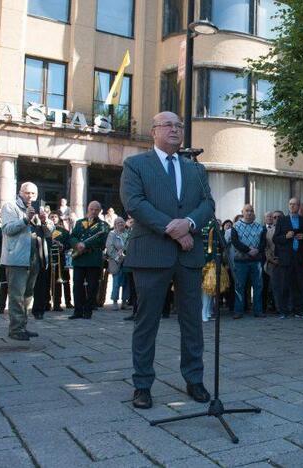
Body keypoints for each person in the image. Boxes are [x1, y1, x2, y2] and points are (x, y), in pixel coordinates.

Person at [120, 111, 215, 410]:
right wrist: (173, 229)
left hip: (188, 256)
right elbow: (135, 203)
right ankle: (143, 384)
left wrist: (189, 222)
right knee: (147, 322)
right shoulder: (135, 165)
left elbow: (207, 204)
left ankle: (194, 380)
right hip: (152, 254)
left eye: (179, 126)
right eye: (168, 125)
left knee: (192, 322)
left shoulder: (195, 170)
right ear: (154, 131)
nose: (175, 129)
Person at [1, 182, 48, 341]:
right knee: (16, 295)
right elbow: (7, 229)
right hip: (17, 258)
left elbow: (50, 233)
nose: (30, 196)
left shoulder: (37, 209)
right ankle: (15, 329)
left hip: (34, 257)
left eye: (33, 194)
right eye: (27, 193)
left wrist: (45, 221)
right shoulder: (10, 206)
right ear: (20, 192)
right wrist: (25, 219)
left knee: (27, 295)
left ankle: (22, 326)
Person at [68, 201, 109, 320]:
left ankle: (88, 311)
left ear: (100, 211)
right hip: (79, 259)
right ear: (88, 209)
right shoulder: (80, 223)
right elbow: (73, 237)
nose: (93, 211)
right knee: (77, 286)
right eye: (92, 209)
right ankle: (77, 311)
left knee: (92, 287)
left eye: (96, 209)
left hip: (93, 259)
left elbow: (102, 242)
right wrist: (77, 244)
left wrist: (85, 245)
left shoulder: (103, 225)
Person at [273, 198, 303, 319]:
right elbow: (275, 239)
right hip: (286, 258)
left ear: (299, 206)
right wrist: (286, 236)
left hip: (300, 258)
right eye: (290, 204)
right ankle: (283, 310)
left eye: (295, 204)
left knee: (299, 285)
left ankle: (298, 310)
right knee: (284, 285)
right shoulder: (282, 220)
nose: (292, 206)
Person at [229, 204, 267, 319]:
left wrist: (257, 250)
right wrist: (248, 250)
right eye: (247, 211)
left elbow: (263, 243)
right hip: (241, 261)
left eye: (251, 211)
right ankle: (238, 311)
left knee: (258, 286)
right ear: (242, 212)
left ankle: (258, 311)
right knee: (239, 286)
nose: (249, 213)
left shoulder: (260, 227)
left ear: (254, 213)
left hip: (256, 261)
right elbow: (235, 242)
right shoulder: (235, 226)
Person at [48, 213, 73, 311]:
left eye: (55, 217)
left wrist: (62, 246)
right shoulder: (46, 230)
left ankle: (68, 302)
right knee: (52, 282)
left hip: (62, 259)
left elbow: (69, 244)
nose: (53, 218)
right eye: (51, 217)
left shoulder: (64, 231)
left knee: (66, 281)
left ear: (58, 219)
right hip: (50, 259)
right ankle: (55, 303)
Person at [106, 217, 129, 311]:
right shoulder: (112, 234)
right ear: (115, 224)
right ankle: (115, 301)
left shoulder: (128, 233)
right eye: (118, 223)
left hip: (127, 261)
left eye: (122, 222)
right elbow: (109, 247)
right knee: (116, 282)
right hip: (116, 261)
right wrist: (117, 257)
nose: (120, 224)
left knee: (126, 282)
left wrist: (125, 253)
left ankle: (124, 301)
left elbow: (130, 245)